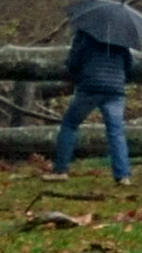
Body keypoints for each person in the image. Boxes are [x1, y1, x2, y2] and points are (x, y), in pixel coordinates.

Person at [43, 30, 134, 185]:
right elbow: (128, 65)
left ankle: (61, 170)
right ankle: (123, 175)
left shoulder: (84, 35)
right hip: (115, 90)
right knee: (116, 132)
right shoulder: (120, 38)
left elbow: (73, 63)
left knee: (69, 125)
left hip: (89, 87)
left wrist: (76, 75)